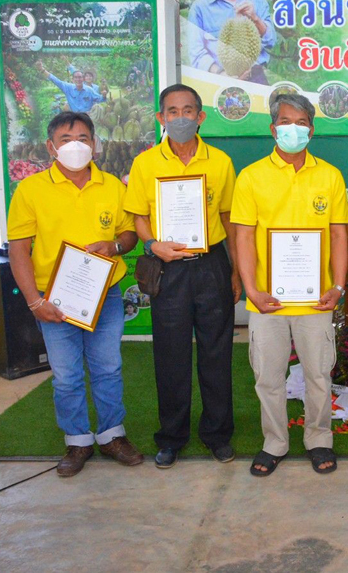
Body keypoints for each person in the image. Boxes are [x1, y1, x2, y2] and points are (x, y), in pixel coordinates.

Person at [7, 111, 142, 477]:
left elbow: (129, 234)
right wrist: (35, 301)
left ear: (95, 145)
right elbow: (18, 248)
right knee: (66, 375)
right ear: (51, 147)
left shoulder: (113, 186)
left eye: (83, 138)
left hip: (106, 295)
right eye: (66, 140)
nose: (75, 146)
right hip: (56, 300)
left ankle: (113, 435)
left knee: (108, 367)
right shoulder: (31, 190)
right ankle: (78, 440)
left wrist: (114, 245)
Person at [123, 83, 241, 469]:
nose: (180, 118)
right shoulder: (145, 164)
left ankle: (217, 435)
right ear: (161, 118)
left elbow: (228, 218)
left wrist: (237, 269)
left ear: (200, 116)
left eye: (188, 110)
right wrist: (153, 243)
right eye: (172, 111)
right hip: (168, 268)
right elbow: (138, 215)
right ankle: (171, 437)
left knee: (216, 353)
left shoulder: (220, 161)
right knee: (170, 356)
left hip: (211, 265)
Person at [231, 93, 348, 477]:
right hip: (268, 301)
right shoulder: (251, 177)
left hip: (316, 301)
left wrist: (339, 287)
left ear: (311, 130)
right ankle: (275, 442)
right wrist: (251, 289)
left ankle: (319, 439)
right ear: (273, 128)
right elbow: (244, 237)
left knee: (319, 375)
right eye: (285, 122)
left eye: (301, 123)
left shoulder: (329, 176)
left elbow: (337, 235)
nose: (293, 129)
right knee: (268, 377)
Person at [37, 62, 105, 113]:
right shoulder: (68, 88)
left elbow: (100, 99)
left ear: (83, 79)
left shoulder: (89, 90)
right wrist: (42, 70)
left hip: (86, 117)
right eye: (76, 77)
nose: (78, 79)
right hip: (73, 117)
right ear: (73, 80)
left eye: (80, 77)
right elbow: (55, 80)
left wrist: (104, 95)